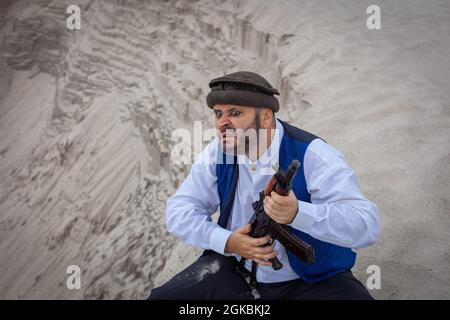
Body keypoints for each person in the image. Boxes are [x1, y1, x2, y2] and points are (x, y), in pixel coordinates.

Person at [148, 71, 380, 300]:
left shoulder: (313, 154)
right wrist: (228, 242)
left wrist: (298, 213)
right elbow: (178, 211)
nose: (222, 123)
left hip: (315, 282)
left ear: (266, 117)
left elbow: (367, 225)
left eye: (235, 113)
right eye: (218, 114)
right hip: (237, 272)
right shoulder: (217, 153)